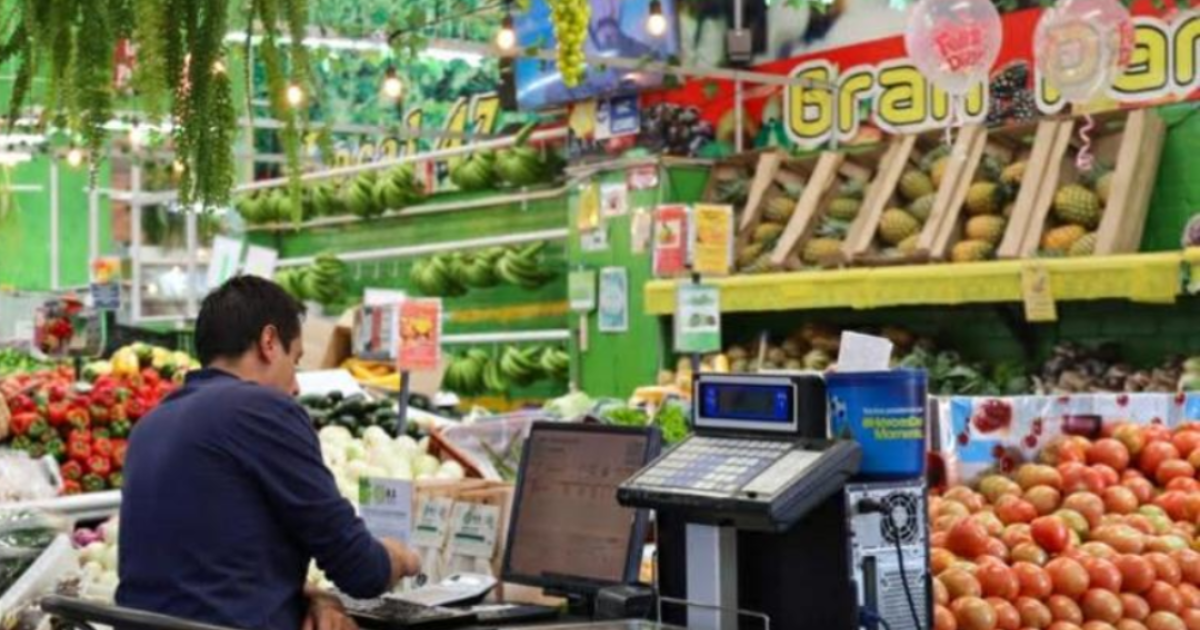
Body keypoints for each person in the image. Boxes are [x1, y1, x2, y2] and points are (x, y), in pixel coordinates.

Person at [116, 276, 421, 630]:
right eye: (296, 360)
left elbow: (202, 571)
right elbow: (360, 570)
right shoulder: (262, 408)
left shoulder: (150, 424)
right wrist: (403, 557)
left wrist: (312, 595)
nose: (295, 386)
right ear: (269, 342)